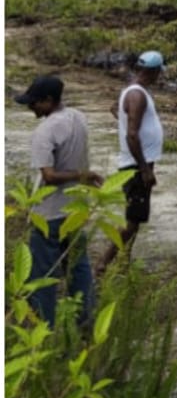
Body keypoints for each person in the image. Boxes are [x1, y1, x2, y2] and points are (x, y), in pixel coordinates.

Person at [15, 74, 100, 328]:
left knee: (42, 275)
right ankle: (85, 323)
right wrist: (82, 177)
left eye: (34, 103)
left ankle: (43, 331)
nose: (30, 107)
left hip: (48, 213)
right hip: (74, 209)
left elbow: (49, 176)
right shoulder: (79, 117)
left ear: (49, 101)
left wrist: (81, 176)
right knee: (78, 267)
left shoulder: (45, 130)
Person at [99, 50, 165, 271]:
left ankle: (124, 264)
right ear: (153, 71)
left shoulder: (133, 91)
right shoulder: (137, 94)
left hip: (138, 162)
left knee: (135, 218)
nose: (159, 77)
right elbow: (132, 135)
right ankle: (102, 265)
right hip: (136, 165)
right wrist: (145, 168)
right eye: (159, 72)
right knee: (131, 221)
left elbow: (115, 110)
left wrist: (125, 121)